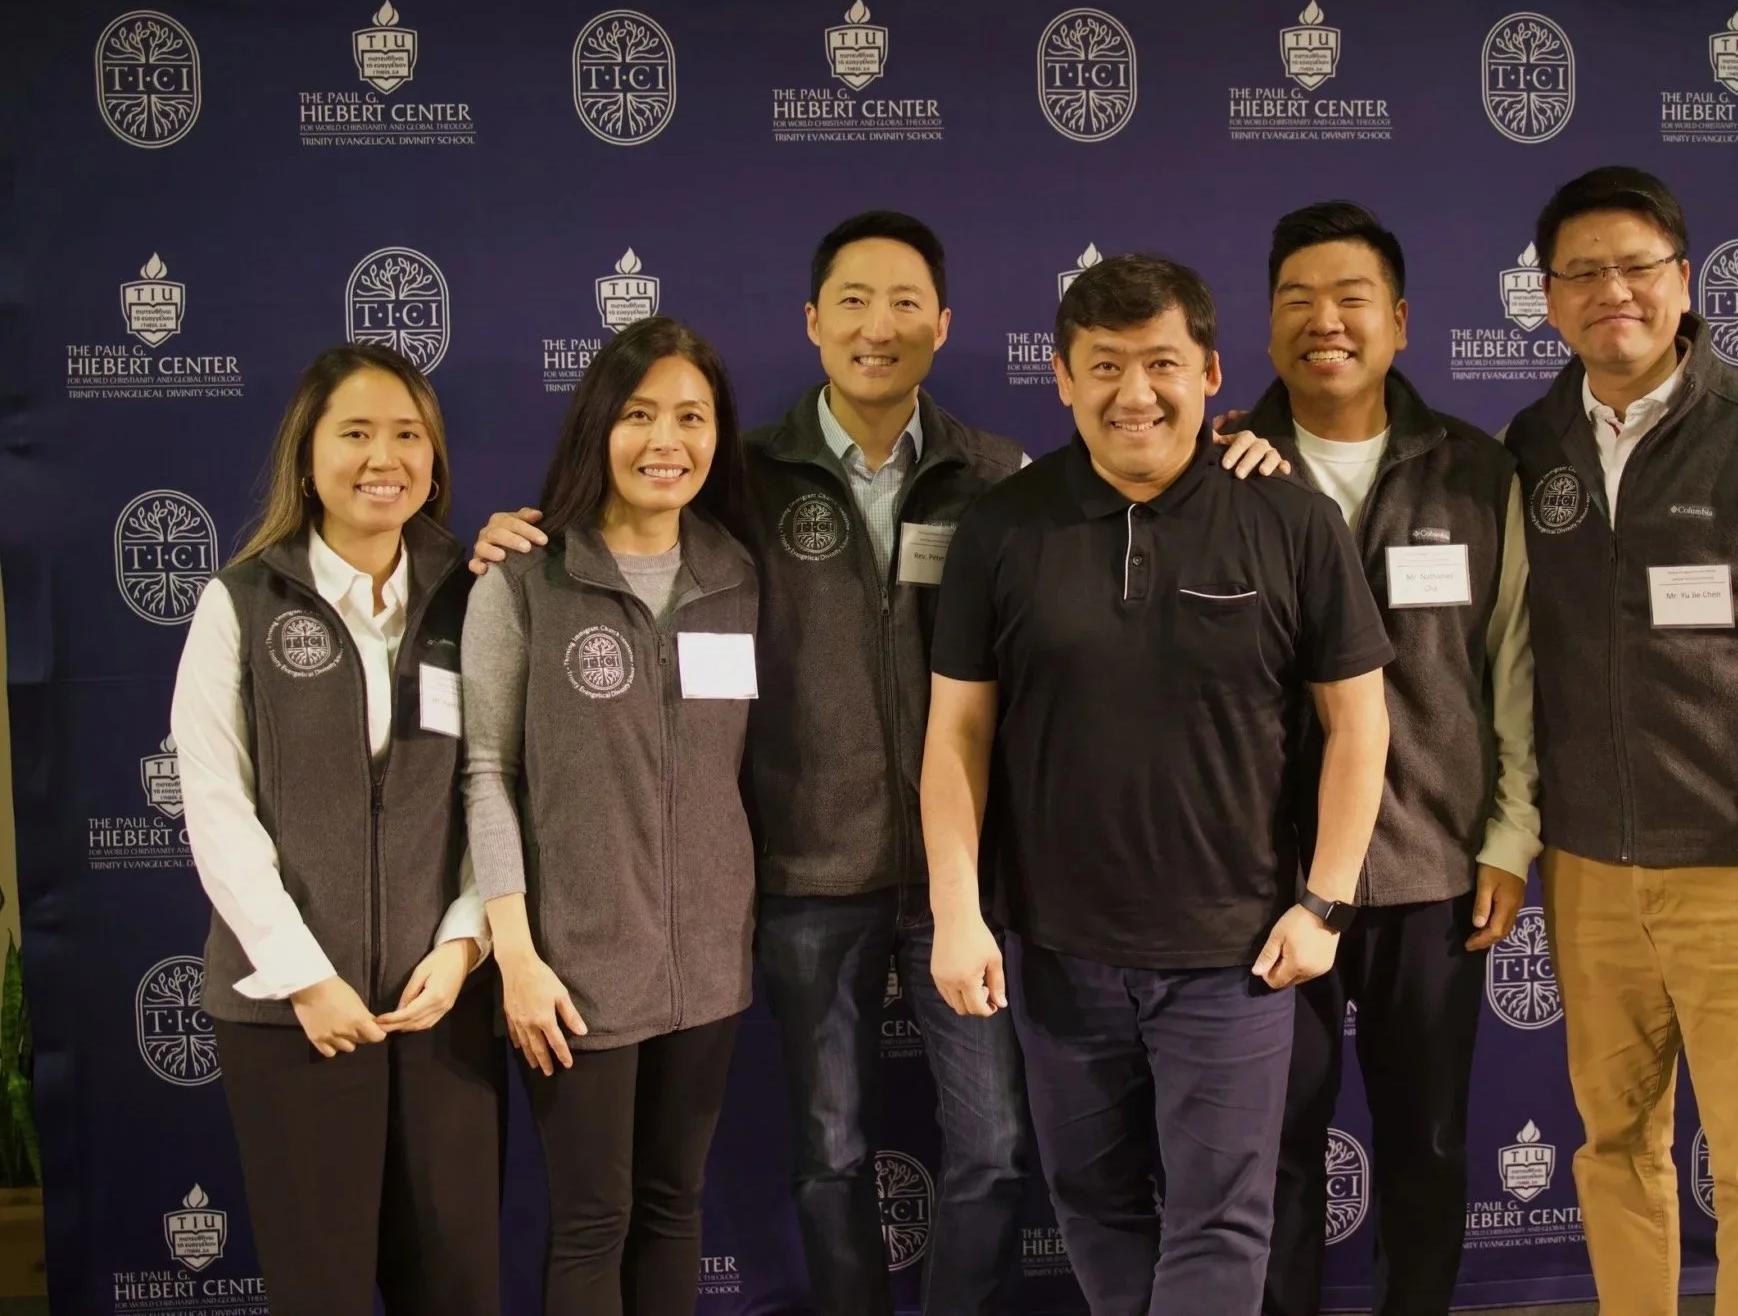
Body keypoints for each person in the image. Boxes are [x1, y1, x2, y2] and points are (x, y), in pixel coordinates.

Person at [468, 212, 1290, 1316]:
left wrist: (1240, 444)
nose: (878, 325)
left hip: (972, 881)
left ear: (943, 324)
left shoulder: (1001, 476)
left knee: (997, 1145)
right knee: (829, 1151)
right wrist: (514, 536)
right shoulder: (738, 476)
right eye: (851, 300)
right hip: (805, 867)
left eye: (905, 301)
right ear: (811, 321)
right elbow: (631, 524)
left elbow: (1148, 471)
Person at [921, 252, 1394, 1316]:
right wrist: (957, 908)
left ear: (1211, 372)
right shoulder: (1004, 527)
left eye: (1160, 364)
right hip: (1055, 951)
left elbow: (1357, 720)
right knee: (1091, 1198)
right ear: (1060, 378)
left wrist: (1324, 900)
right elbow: (955, 732)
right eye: (1103, 366)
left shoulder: (1290, 521)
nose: (1134, 393)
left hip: (1233, 959)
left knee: (1221, 1217)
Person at [1504, 166, 1738, 1316]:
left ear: (1680, 280)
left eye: (1633, 267)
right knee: (1611, 1144)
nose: (1607, 291)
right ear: (1547, 294)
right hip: (1589, 871)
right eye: (1579, 273)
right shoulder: (1531, 442)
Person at [1232, 203, 1540, 1316]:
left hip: (1429, 870)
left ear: (1399, 321)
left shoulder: (1472, 470)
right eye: (1297, 299)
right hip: (1265, 878)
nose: (1325, 322)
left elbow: (1511, 664)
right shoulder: (1220, 469)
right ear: (1266, 325)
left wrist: (1508, 835)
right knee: (1273, 1156)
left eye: (1351, 298)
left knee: (1428, 1143)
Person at [170, 343, 499, 1316]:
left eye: (406, 435)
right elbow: (215, 804)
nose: (381, 457)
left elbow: (500, 785)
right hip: (289, 1015)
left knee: (455, 1281)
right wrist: (304, 977)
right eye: (354, 433)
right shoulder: (239, 602)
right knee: (321, 1286)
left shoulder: (478, 592)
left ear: (433, 461)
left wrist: (463, 940)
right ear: (307, 454)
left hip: (442, 1006)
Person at [462, 316, 758, 1316]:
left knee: (675, 1206)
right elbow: (485, 768)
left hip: (708, 964)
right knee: (593, 1218)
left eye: (690, 416)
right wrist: (517, 953)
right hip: (573, 966)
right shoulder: (526, 579)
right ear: (598, 426)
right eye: (638, 415)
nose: (663, 440)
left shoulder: (738, 577)